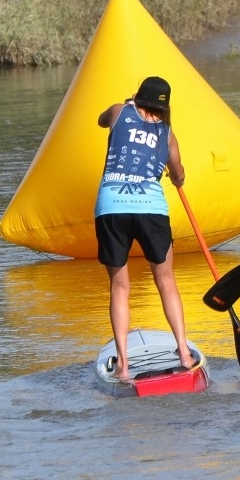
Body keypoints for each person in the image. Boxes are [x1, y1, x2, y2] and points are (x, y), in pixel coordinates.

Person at [94, 76, 193, 381]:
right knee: (166, 281)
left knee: (120, 288)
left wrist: (126, 104)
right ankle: (184, 352)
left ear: (137, 98)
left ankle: (123, 364)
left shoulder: (117, 111)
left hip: (112, 207)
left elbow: (101, 121)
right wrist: (177, 178)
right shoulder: (168, 135)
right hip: (151, 209)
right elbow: (178, 175)